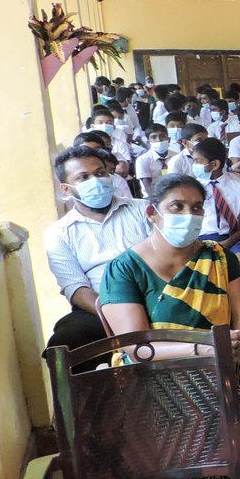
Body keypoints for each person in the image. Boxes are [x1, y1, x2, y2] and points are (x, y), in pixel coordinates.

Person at [100, 174, 240, 479]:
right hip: (150, 376)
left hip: (222, 370)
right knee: (191, 407)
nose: (188, 215)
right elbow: (136, 348)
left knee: (215, 395)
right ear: (152, 213)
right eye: (176, 207)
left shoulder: (219, 258)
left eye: (196, 207)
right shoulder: (124, 269)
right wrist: (207, 349)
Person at [45, 147, 152, 360]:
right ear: (66, 189)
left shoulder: (142, 210)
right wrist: (115, 312)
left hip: (153, 295)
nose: (96, 181)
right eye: (83, 177)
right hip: (101, 306)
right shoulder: (58, 233)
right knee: (67, 339)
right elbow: (75, 287)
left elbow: (165, 256)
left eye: (100, 173)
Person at [190, 138, 240, 279]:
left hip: (229, 239)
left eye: (198, 161)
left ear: (214, 164)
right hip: (198, 239)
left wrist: (227, 243)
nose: (194, 165)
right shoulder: (192, 187)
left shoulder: (237, 185)